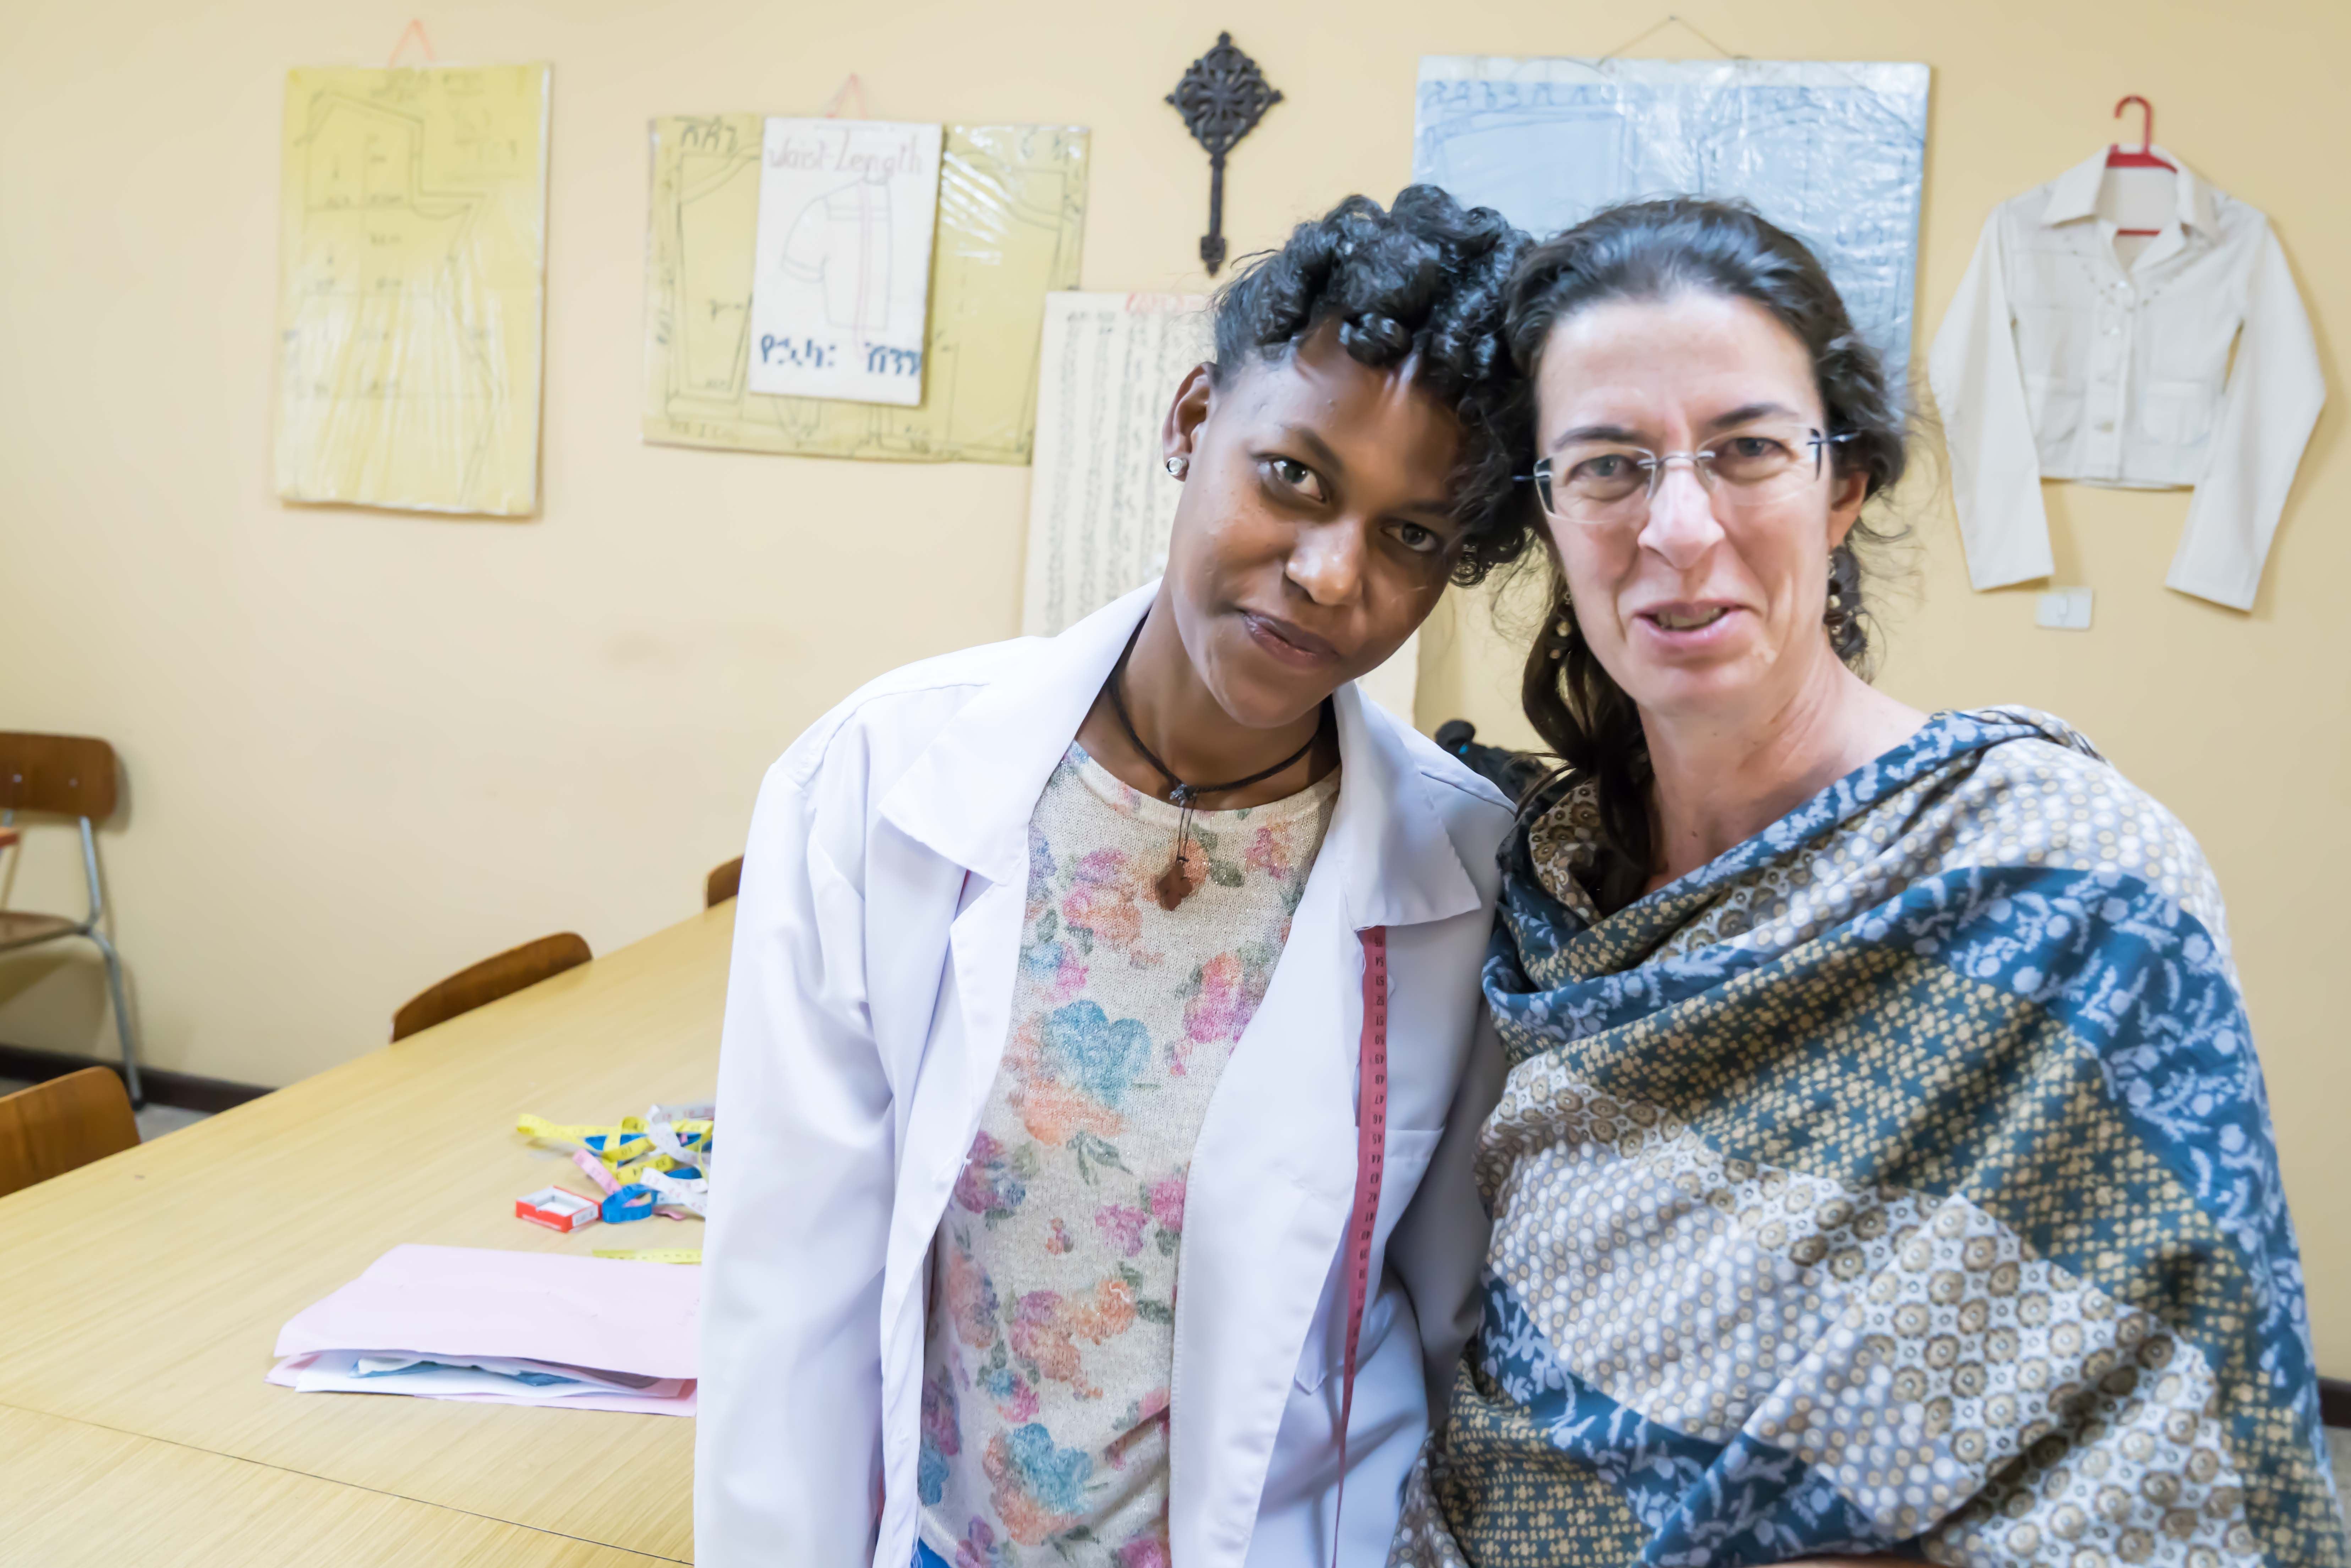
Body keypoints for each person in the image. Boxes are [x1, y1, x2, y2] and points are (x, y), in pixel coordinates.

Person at [1390, 199, 2346, 1568]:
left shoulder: (2066, 880)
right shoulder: (1541, 884)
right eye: (1606, 465)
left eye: (1748, 450)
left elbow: (2176, 1445)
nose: (1678, 526)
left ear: (1843, 483)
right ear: (1543, 508)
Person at [698, 188, 1539, 1568]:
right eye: (1296, 477)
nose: (1332, 575)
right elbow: (786, 1301)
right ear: (1194, 419)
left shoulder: (1454, 874)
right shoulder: (875, 783)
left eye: (1412, 537)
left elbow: (1450, 1326)